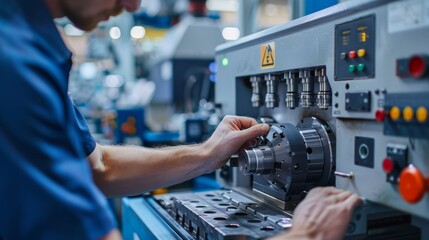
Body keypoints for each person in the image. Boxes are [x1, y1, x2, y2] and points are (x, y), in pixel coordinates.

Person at [0, 0, 362, 239]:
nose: (133, 4)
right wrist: (303, 236)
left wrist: (208, 154)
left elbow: (98, 166)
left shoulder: (29, 38)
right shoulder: (14, 61)